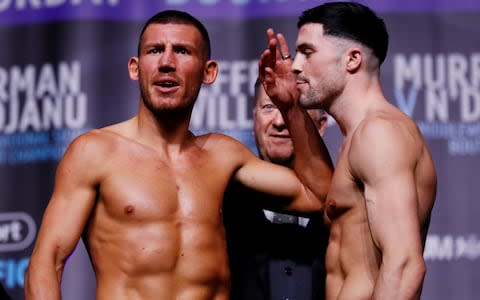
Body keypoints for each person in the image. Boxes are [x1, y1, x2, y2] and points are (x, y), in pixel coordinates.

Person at [24, 10, 333, 300]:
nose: (166, 62)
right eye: (154, 50)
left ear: (208, 72)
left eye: (183, 51)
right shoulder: (95, 151)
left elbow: (317, 194)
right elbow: (47, 261)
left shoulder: (222, 156)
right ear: (135, 67)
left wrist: (292, 107)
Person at [258, 2, 437, 299]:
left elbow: (405, 264)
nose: (296, 65)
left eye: (308, 52)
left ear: (352, 59)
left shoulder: (379, 133)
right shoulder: (357, 138)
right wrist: (290, 105)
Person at [223, 80, 331, 300]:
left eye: (294, 107)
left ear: (320, 126)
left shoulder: (345, 207)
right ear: (254, 121)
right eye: (269, 107)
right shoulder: (219, 204)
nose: (280, 121)